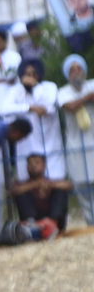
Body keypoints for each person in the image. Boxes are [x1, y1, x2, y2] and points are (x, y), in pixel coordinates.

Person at [4, 59, 65, 185]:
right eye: (27, 74)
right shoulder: (16, 90)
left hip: (50, 142)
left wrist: (35, 86)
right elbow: (5, 108)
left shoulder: (49, 87)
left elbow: (49, 104)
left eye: (34, 73)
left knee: (54, 181)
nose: (30, 77)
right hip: (27, 144)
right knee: (27, 182)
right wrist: (29, 108)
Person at [57, 54, 94, 224]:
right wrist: (86, 98)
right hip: (77, 147)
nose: (76, 72)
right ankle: (91, 224)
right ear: (67, 74)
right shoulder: (63, 92)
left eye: (79, 68)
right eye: (72, 70)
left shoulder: (91, 84)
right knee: (83, 190)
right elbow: (70, 106)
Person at [12, 154, 73, 231]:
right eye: (30, 163)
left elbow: (69, 185)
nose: (33, 165)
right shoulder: (22, 184)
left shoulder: (50, 182)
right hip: (32, 223)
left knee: (60, 191)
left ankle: (53, 225)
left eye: (37, 162)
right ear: (27, 167)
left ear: (44, 165)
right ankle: (32, 225)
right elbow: (13, 191)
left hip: (52, 218)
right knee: (21, 193)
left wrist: (49, 185)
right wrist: (35, 185)